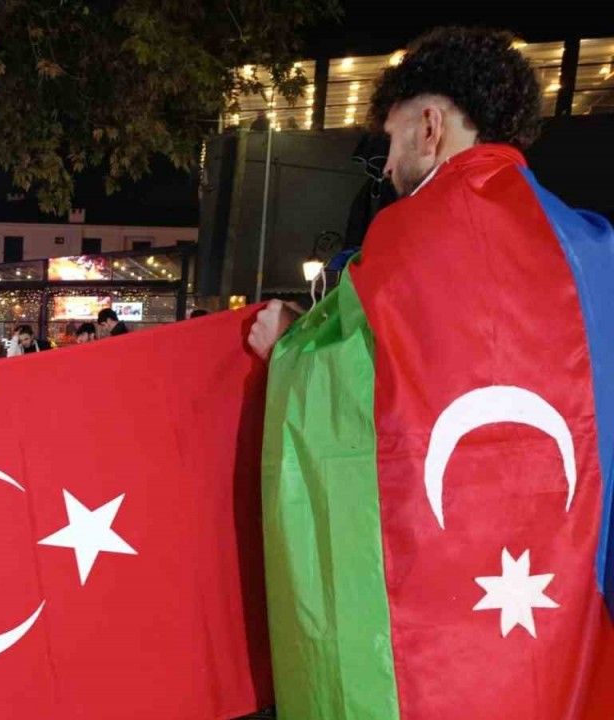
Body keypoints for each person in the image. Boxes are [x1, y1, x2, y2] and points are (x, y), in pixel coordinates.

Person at [248, 28, 614, 719]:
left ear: (429, 125)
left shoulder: (409, 239)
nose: (387, 165)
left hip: (436, 611)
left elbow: (345, 390)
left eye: (390, 140)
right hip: (562, 591)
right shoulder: (589, 245)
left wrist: (287, 345)